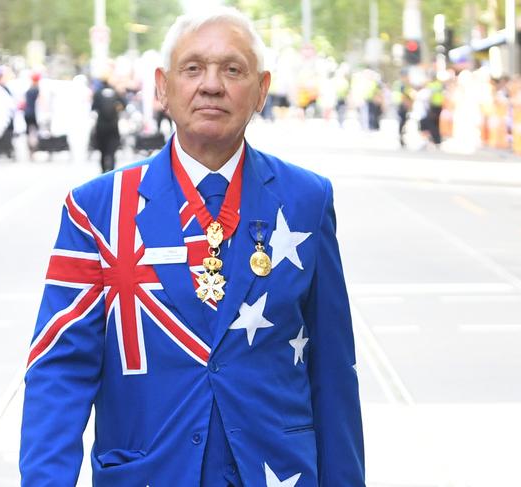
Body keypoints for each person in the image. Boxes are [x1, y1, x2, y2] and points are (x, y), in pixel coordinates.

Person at [20, 7, 365, 487]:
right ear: (163, 87)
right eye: (193, 68)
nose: (211, 85)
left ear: (261, 90)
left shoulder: (307, 200)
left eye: (233, 69)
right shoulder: (97, 210)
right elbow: (59, 372)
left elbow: (333, 369)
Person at [91, 74, 125, 173]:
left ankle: (103, 171)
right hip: (113, 125)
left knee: (102, 151)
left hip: (101, 126)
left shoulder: (97, 93)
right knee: (112, 151)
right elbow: (124, 105)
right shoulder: (116, 93)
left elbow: (93, 108)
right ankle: (112, 171)